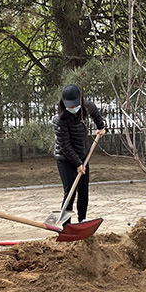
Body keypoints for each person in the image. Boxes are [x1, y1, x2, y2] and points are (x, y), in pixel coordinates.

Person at [53, 84, 106, 223]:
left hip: (83, 155)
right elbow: (65, 145)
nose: (72, 109)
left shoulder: (86, 106)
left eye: (74, 105)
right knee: (70, 191)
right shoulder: (60, 119)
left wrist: (100, 126)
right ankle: (66, 225)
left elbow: (95, 112)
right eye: (69, 106)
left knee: (83, 190)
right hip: (65, 158)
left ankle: (82, 220)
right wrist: (77, 163)